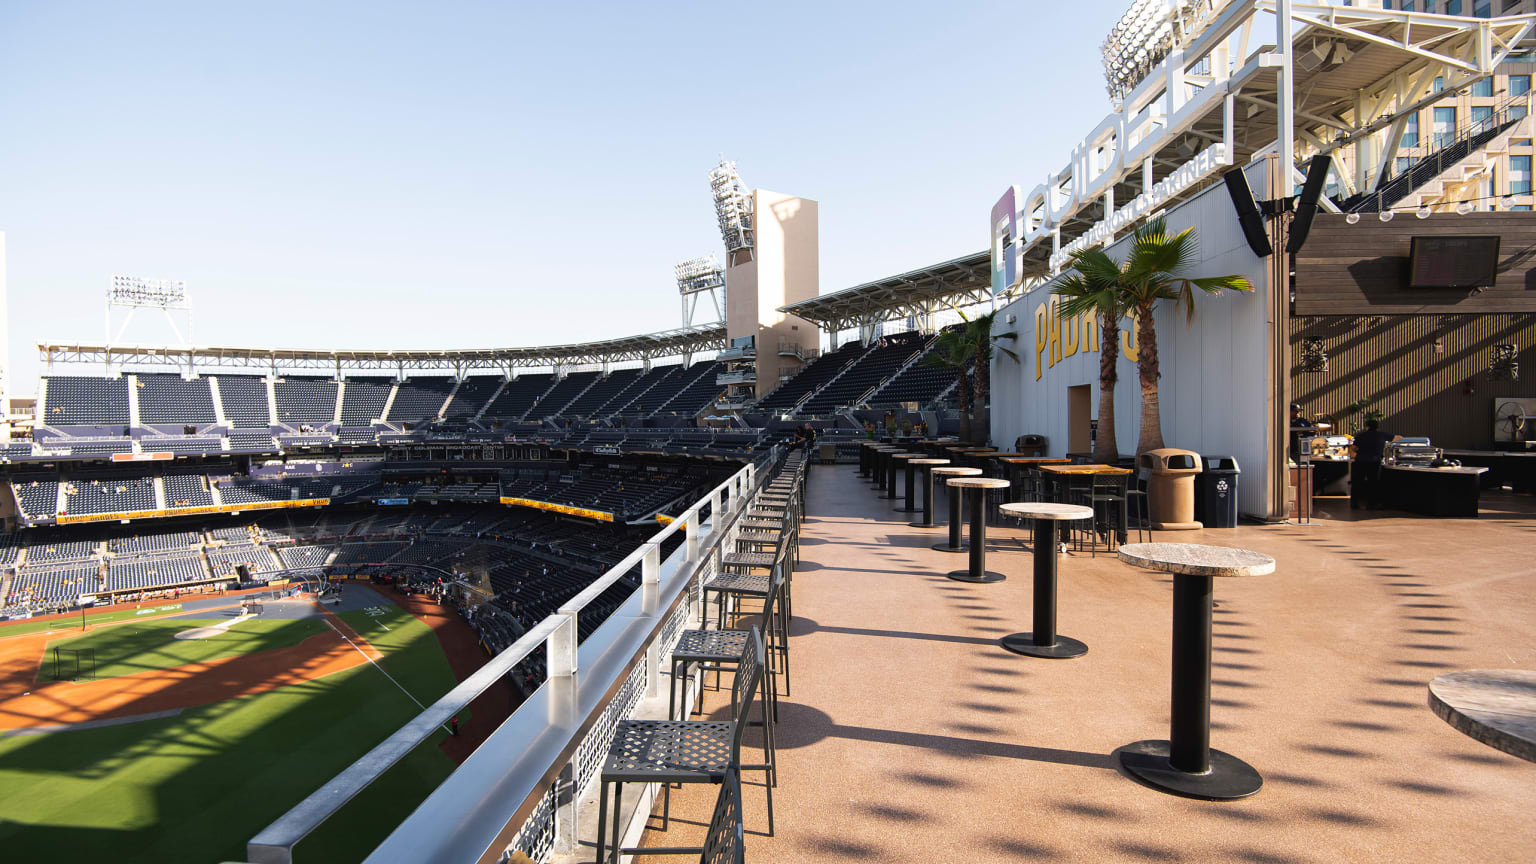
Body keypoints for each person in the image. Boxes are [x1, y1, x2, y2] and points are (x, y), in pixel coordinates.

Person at [1350, 418, 1389, 510]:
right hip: (1374, 461)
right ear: (1377, 427)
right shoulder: (1381, 435)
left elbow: (1354, 448)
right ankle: (1372, 504)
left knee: (1357, 482)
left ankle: (1354, 503)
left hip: (1361, 461)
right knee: (1373, 483)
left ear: (1367, 427)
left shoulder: (1361, 435)